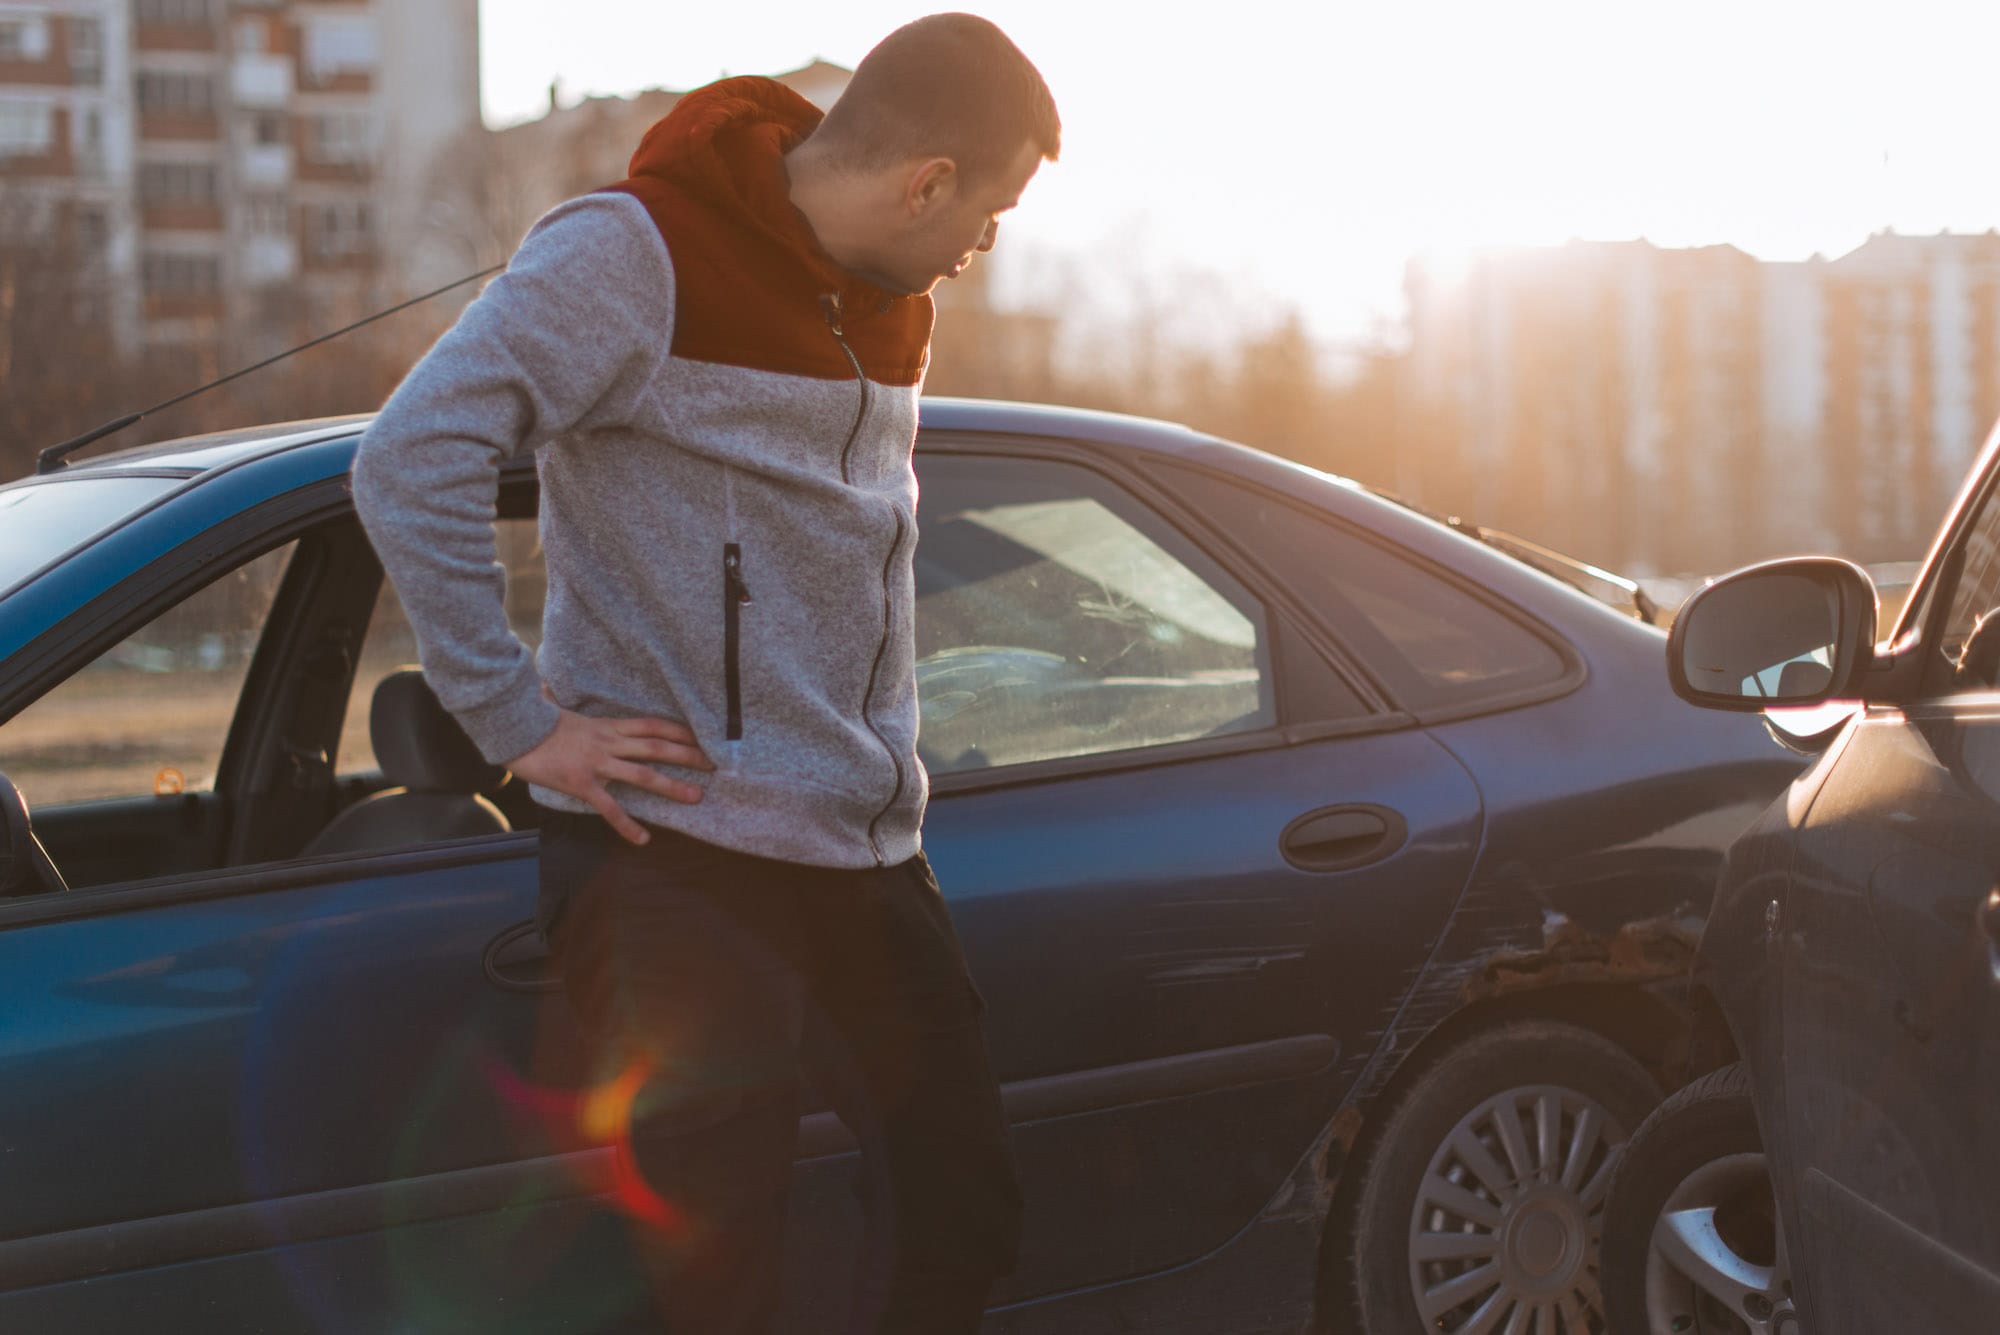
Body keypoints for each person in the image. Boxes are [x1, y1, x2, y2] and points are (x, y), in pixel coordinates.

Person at [349, 13, 1059, 1334]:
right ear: (926, 182)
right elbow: (410, 457)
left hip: (861, 848)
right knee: (708, 1279)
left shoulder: (889, 296)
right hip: (678, 859)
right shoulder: (633, 255)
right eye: (991, 214)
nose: (983, 248)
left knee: (963, 1204)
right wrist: (516, 720)